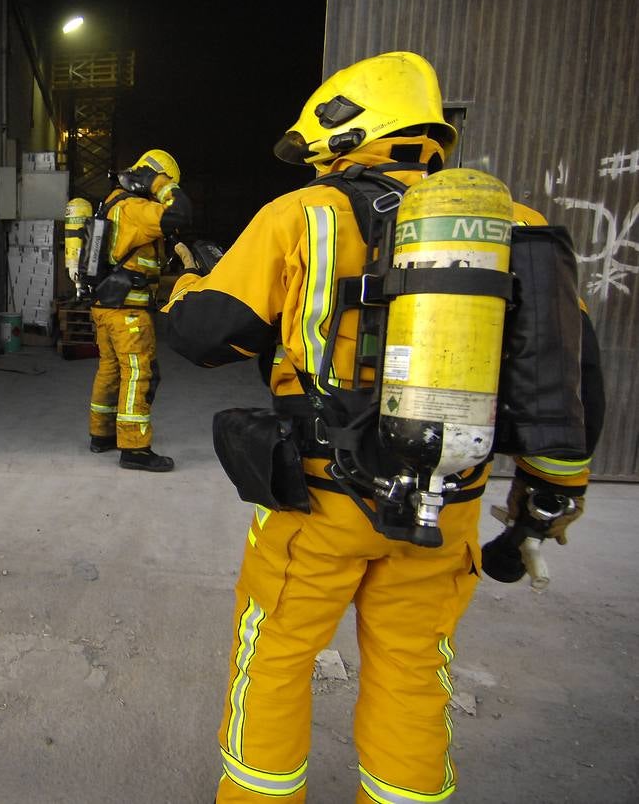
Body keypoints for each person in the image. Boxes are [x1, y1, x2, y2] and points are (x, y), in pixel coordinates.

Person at [161, 51, 604, 802]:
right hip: (449, 497)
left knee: (275, 657)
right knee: (412, 669)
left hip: (319, 499)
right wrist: (546, 497)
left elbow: (208, 336)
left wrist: (186, 284)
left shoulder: (301, 212)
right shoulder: (516, 228)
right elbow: (564, 378)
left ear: (342, 130)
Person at [82, 149, 192, 472]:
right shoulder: (135, 208)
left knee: (110, 371)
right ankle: (135, 448)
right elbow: (181, 213)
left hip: (105, 307)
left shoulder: (112, 203)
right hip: (129, 310)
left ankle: (101, 435)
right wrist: (161, 184)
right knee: (138, 373)